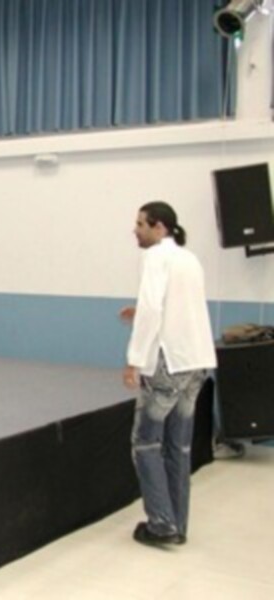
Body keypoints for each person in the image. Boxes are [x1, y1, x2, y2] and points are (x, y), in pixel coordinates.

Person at [119, 201, 216, 545]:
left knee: (145, 443)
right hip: (196, 363)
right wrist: (140, 312)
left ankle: (161, 524)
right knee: (179, 447)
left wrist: (134, 360)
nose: (135, 230)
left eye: (140, 224)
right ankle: (177, 524)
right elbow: (179, 307)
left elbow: (152, 309)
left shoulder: (155, 257)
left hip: (168, 365)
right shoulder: (189, 259)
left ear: (159, 227)